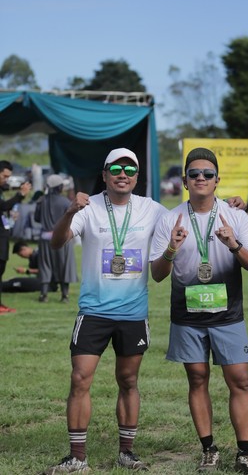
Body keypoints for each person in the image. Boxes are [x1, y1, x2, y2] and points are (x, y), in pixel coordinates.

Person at [44, 148, 168, 473]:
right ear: (104, 175)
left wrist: (235, 207)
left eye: (130, 169)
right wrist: (69, 211)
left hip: (133, 313)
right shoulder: (88, 207)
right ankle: (77, 457)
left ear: (137, 176)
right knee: (80, 378)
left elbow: (188, 215)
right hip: (94, 311)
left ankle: (127, 452)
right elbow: (57, 242)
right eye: (115, 169)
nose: (122, 174)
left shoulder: (152, 209)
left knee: (128, 380)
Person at [150, 147, 248, 474]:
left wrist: (234, 245)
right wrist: (171, 248)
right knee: (197, 379)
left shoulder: (236, 216)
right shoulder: (169, 219)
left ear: (217, 180)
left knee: (240, 380)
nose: (200, 178)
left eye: (207, 174)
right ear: (185, 181)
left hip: (228, 315)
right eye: (194, 174)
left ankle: (244, 454)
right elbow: (157, 274)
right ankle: (208, 450)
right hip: (187, 316)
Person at [35, 174, 78, 303]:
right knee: (64, 265)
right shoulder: (65, 201)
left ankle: (43, 295)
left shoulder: (41, 201)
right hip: (62, 237)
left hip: (45, 238)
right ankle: (64, 296)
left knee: (45, 265)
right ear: (59, 187)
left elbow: (37, 218)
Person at [0, 160, 32, 313]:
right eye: (4, 176)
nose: (6, 180)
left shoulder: (2, 188)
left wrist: (9, 214)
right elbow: (3, 205)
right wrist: (20, 195)